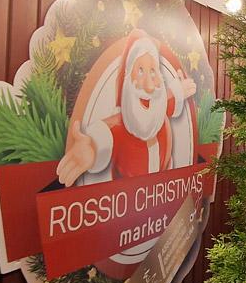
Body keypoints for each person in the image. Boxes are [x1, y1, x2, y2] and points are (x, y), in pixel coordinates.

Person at [57, 30, 197, 185]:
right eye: (140, 70)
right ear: (127, 79)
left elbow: (166, 100)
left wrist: (178, 91)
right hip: (131, 205)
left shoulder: (157, 108)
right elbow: (104, 135)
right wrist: (90, 147)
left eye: (153, 71)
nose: (149, 86)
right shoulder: (120, 128)